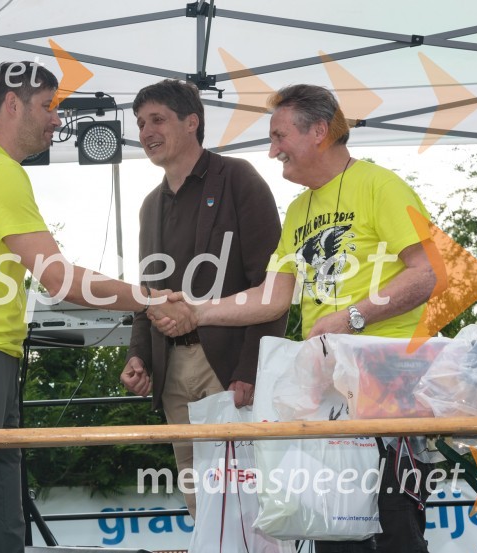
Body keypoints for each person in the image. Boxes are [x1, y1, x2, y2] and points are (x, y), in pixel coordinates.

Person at [0, 61, 188, 553]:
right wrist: (150, 298)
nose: (57, 120)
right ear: (12, 103)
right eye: (47, 106)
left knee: (0, 531)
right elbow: (59, 279)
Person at [160, 84, 438, 552]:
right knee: (330, 529)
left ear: (319, 133)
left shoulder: (379, 185)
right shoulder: (298, 209)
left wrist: (352, 316)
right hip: (329, 394)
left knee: (394, 534)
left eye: (279, 136)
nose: (272, 151)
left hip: (390, 390)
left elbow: (429, 272)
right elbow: (273, 297)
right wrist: (197, 312)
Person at [119, 79, 286, 518]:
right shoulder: (149, 205)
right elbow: (146, 295)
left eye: (157, 119)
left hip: (229, 368)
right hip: (172, 371)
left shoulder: (239, 179)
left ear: (192, 122)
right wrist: (139, 357)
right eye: (140, 123)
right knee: (202, 507)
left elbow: (272, 285)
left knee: (250, 507)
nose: (146, 131)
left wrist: (251, 370)